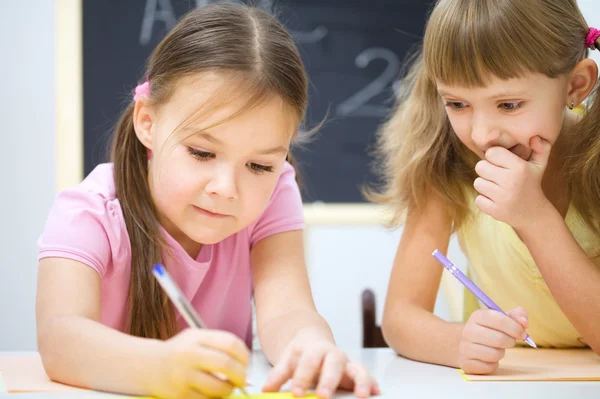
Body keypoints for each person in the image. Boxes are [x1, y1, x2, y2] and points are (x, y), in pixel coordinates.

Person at [36, 4, 379, 398]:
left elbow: (287, 310)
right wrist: (159, 367)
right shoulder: (88, 211)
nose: (226, 188)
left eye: (259, 165)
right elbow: (59, 338)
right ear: (147, 122)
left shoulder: (277, 192)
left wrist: (310, 347)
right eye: (201, 153)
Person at [373, 0, 600, 375]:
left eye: (509, 104)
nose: (481, 134)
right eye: (458, 104)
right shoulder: (449, 164)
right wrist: (457, 342)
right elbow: (400, 317)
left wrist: (535, 218)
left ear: (575, 85)